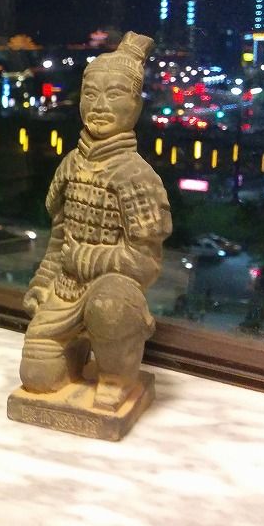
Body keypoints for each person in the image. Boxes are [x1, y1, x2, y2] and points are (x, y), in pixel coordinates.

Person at [20, 32, 171, 410]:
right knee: (37, 377)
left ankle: (117, 375)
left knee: (109, 307)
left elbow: (146, 263)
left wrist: (88, 259)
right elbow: (59, 239)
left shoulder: (136, 176)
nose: (99, 105)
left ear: (136, 104)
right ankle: (76, 347)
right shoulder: (70, 165)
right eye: (90, 94)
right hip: (65, 293)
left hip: (112, 294)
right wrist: (42, 282)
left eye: (114, 94)